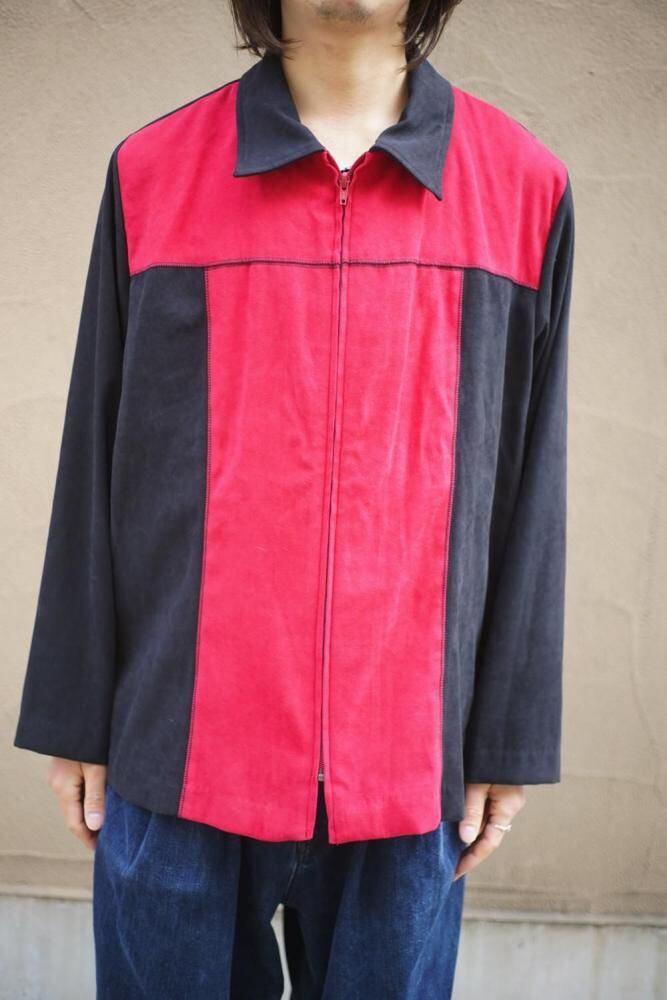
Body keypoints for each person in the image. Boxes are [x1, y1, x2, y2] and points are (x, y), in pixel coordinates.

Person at [12, 0, 575, 995]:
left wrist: (506, 734)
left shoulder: (520, 187)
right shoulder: (155, 173)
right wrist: (74, 712)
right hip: (175, 748)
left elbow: (531, 484)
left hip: (410, 765)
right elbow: (94, 448)